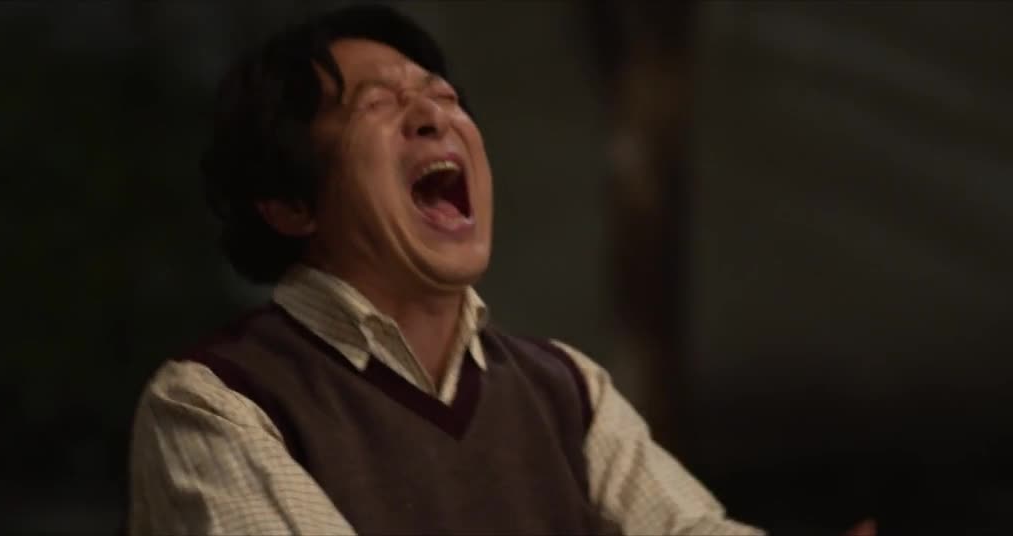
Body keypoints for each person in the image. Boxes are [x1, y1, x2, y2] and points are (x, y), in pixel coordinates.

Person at [127, 4, 764, 535]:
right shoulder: (219, 402)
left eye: (443, 96)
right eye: (376, 103)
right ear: (290, 203)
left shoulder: (568, 390)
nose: (436, 117)